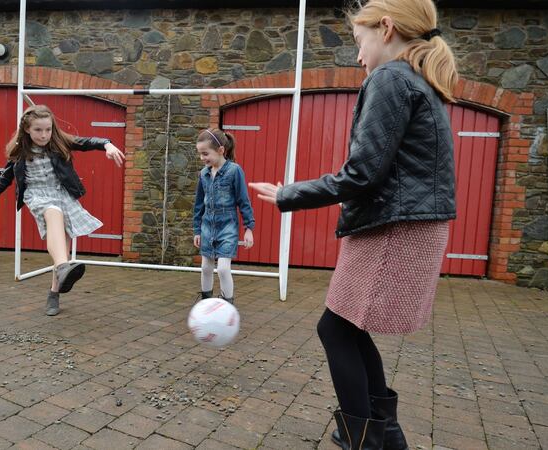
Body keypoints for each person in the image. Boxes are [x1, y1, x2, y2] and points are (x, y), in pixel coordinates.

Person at [250, 0, 458, 447]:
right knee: (347, 326)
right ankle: (386, 437)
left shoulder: (390, 78)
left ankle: (363, 440)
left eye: (359, 41)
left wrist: (291, 194)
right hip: (407, 224)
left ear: (385, 28)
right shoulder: (417, 80)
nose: (358, 55)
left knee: (336, 328)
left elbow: (363, 173)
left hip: (394, 227)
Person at [0, 104, 125, 317]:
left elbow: (87, 142)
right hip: (37, 195)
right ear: (27, 130)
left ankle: (54, 292)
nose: (44, 134)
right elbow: (4, 179)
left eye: (48, 129)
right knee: (53, 212)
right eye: (38, 130)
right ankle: (62, 268)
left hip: (62, 194)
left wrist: (107, 145)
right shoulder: (19, 152)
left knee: (62, 248)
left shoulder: (59, 143)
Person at [192, 128, 255, 304]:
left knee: (223, 269)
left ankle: (227, 306)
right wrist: (197, 230)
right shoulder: (204, 174)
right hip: (207, 226)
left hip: (227, 226)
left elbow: (243, 201)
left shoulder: (234, 171)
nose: (202, 158)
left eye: (205, 154)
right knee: (205, 267)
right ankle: (206, 302)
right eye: (200, 154)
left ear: (220, 150)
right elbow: (198, 205)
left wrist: (249, 228)